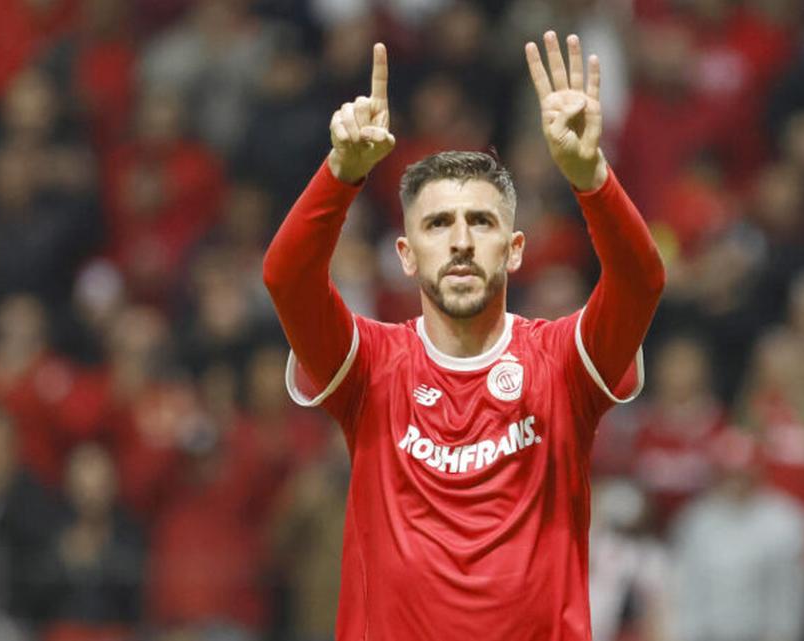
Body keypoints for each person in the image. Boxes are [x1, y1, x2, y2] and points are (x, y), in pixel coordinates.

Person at [262, 30, 664, 641]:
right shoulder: (370, 365)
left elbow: (640, 281)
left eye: (480, 221)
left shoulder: (563, 363)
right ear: (406, 254)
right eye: (438, 223)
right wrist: (341, 173)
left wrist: (591, 177)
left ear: (516, 248)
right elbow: (286, 278)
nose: (459, 240)